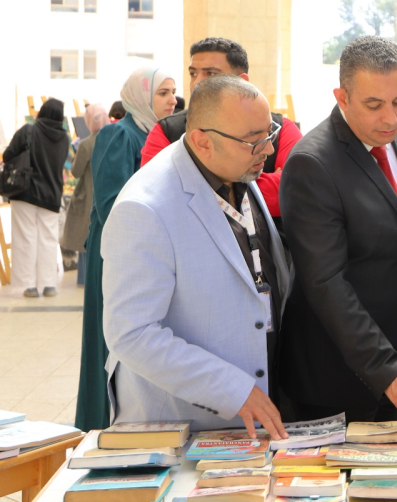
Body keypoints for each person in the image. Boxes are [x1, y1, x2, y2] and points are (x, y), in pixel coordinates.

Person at [102, 75, 291, 437]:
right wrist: (233, 390)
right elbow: (132, 334)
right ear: (202, 141)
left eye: (270, 133)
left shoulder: (236, 169)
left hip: (249, 423)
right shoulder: (145, 208)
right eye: (254, 140)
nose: (268, 150)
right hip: (180, 423)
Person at [278, 36, 397, 424]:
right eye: (374, 105)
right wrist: (385, 367)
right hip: (339, 381)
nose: (391, 118)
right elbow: (326, 283)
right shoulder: (312, 163)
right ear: (342, 98)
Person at [75, 65, 177, 431]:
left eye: (173, 92)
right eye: (162, 93)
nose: (172, 100)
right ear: (141, 96)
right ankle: (101, 423)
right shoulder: (120, 134)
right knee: (111, 343)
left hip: (144, 252)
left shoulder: (159, 135)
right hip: (117, 252)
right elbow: (110, 203)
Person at [139, 37, 302, 224]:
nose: (197, 83)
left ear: (242, 81)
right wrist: (267, 182)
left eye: (211, 74)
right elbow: (163, 197)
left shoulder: (282, 127)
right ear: (201, 141)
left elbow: (299, 191)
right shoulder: (166, 130)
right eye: (193, 74)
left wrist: (206, 185)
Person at [2, 98, 70, 298]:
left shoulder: (29, 131)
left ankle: (29, 286)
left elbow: (7, 155)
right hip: (52, 194)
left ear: (42, 111)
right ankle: (49, 284)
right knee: (48, 239)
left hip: (26, 192)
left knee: (26, 238)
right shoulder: (65, 138)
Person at [61, 103, 109, 286]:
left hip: (88, 196)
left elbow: (76, 171)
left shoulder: (86, 144)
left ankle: (84, 279)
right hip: (108, 195)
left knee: (84, 239)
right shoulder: (113, 140)